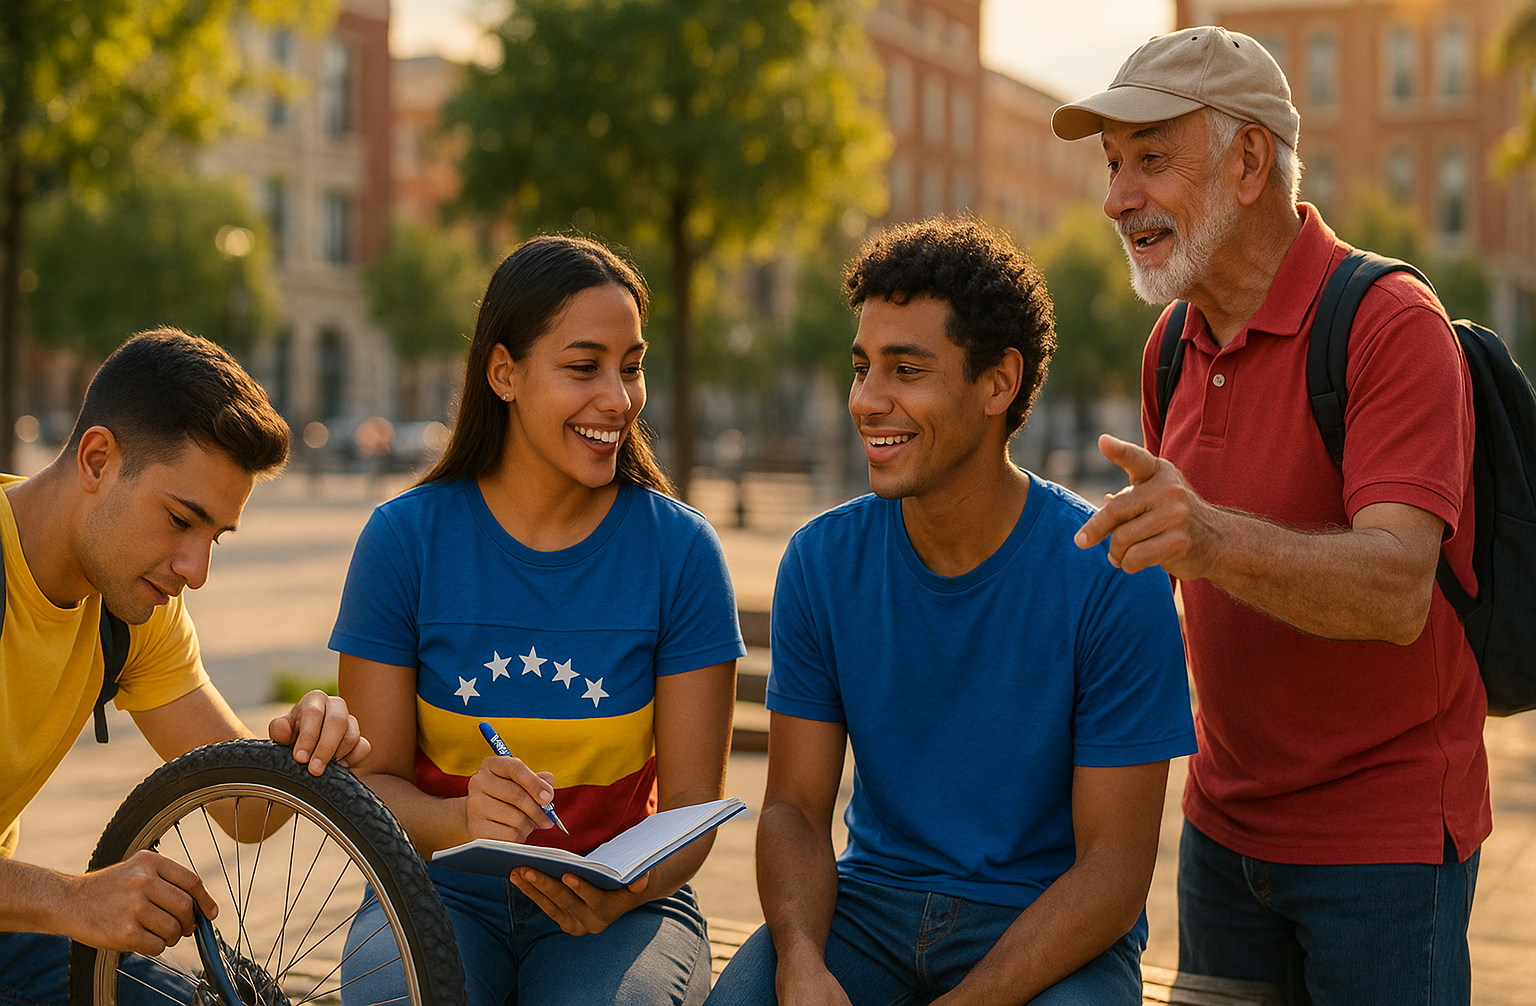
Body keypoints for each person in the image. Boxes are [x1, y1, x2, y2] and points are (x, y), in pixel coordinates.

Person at [1054, 25, 1488, 1005]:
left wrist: (1207, 537)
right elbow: (1179, 579)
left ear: (1249, 161)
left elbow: (1395, 589)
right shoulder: (1170, 343)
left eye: (1150, 160)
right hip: (1223, 838)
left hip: (1382, 855)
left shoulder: (1390, 326)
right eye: (1113, 165)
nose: (1117, 197)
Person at [706, 217, 1197, 1006]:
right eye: (862, 367)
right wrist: (799, 959)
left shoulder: (1111, 576)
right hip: (866, 913)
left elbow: (1113, 870)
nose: (868, 401)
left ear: (998, 383)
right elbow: (795, 809)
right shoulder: (823, 562)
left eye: (907, 370)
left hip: (1046, 929)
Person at [330, 234, 744, 1006]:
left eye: (631, 366)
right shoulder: (404, 540)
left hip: (626, 911)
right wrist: (463, 817)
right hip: (436, 894)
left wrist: (623, 894)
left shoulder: (680, 551)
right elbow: (373, 783)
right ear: (504, 373)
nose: (618, 399)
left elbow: (692, 810)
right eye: (584, 367)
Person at [0, 327, 369, 1005]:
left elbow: (244, 811)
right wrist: (73, 899)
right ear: (96, 461)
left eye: (214, 537)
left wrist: (304, 750)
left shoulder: (133, 609)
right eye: (179, 520)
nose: (195, 571)